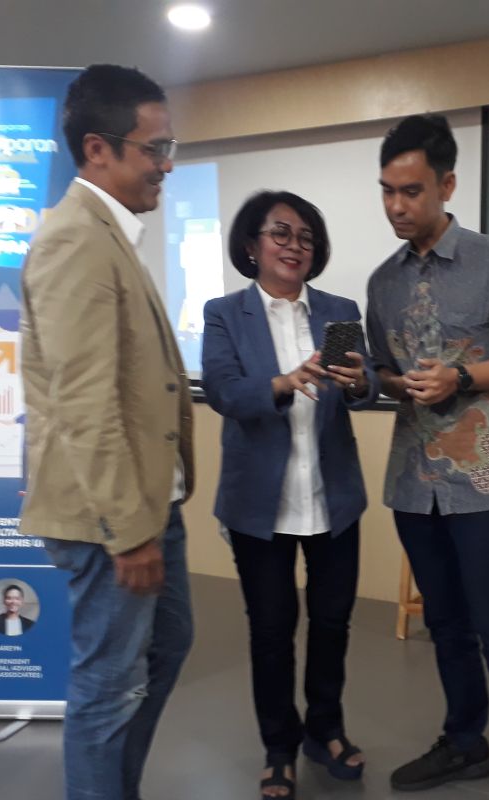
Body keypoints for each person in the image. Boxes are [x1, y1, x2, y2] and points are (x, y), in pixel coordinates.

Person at [365, 114, 489, 800]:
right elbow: (383, 372)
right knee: (444, 626)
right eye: (387, 191)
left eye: (411, 191)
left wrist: (462, 377)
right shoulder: (382, 282)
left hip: (485, 481)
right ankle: (465, 742)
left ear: (446, 186)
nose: (396, 206)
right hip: (413, 482)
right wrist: (383, 382)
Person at [18, 64, 196, 800]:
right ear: (98, 149)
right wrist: (129, 534)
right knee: (108, 683)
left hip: (150, 503)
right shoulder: (75, 240)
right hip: (111, 518)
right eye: (155, 149)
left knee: (166, 646)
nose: (166, 165)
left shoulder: (111, 235)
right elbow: (83, 402)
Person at [200, 191, 378, 799]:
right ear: (252, 245)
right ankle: (278, 747)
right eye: (281, 233)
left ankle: (325, 729)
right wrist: (283, 382)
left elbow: (364, 387)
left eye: (305, 237)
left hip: (333, 498)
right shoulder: (226, 313)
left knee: (332, 623)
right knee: (272, 631)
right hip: (260, 505)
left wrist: (357, 382)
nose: (294, 246)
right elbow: (224, 390)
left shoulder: (337, 310)